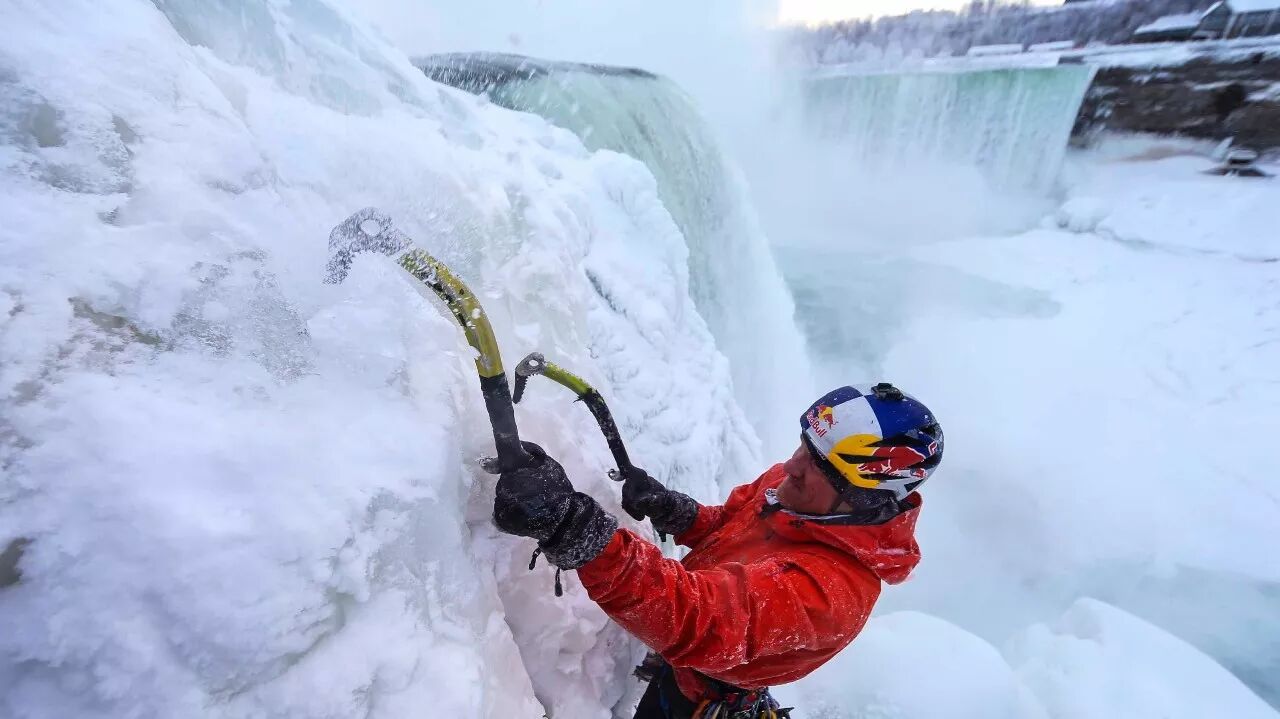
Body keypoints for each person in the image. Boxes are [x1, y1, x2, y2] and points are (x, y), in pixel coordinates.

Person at [492, 383, 944, 719]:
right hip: (695, 669)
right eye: (806, 447)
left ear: (863, 496)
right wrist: (675, 512)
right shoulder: (794, 491)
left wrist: (578, 530)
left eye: (820, 466)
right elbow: (729, 525)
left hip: (703, 695)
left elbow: (697, 617)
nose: (791, 466)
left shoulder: (831, 595)